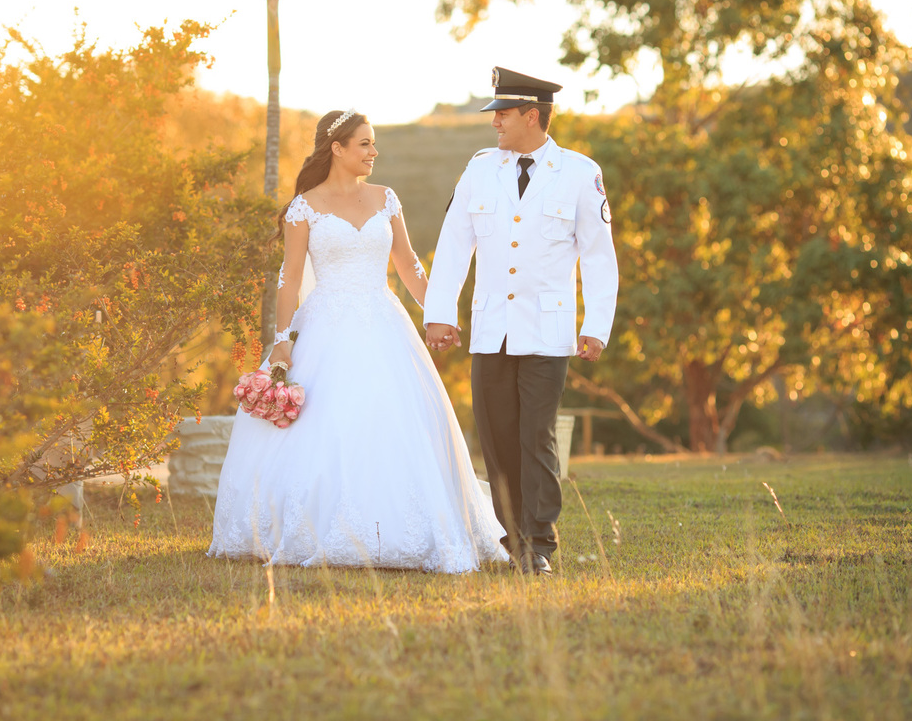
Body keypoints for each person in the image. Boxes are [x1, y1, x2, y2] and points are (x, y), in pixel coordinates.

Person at [208, 109, 507, 572]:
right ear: (338, 148)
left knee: (396, 421)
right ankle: (318, 526)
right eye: (365, 144)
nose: (374, 152)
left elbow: (408, 264)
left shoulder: (387, 199)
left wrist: (440, 312)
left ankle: (403, 527)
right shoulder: (304, 207)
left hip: (383, 321)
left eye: (373, 143)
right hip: (325, 325)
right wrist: (282, 340)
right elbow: (289, 280)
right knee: (326, 425)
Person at [423, 67, 619, 576]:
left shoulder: (579, 173)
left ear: (532, 116)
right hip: (491, 329)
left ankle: (539, 545)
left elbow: (598, 255)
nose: (495, 124)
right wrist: (440, 314)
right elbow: (453, 246)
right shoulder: (480, 170)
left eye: (503, 115)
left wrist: (596, 324)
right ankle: (511, 539)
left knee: (536, 436)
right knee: (497, 438)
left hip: (547, 333)